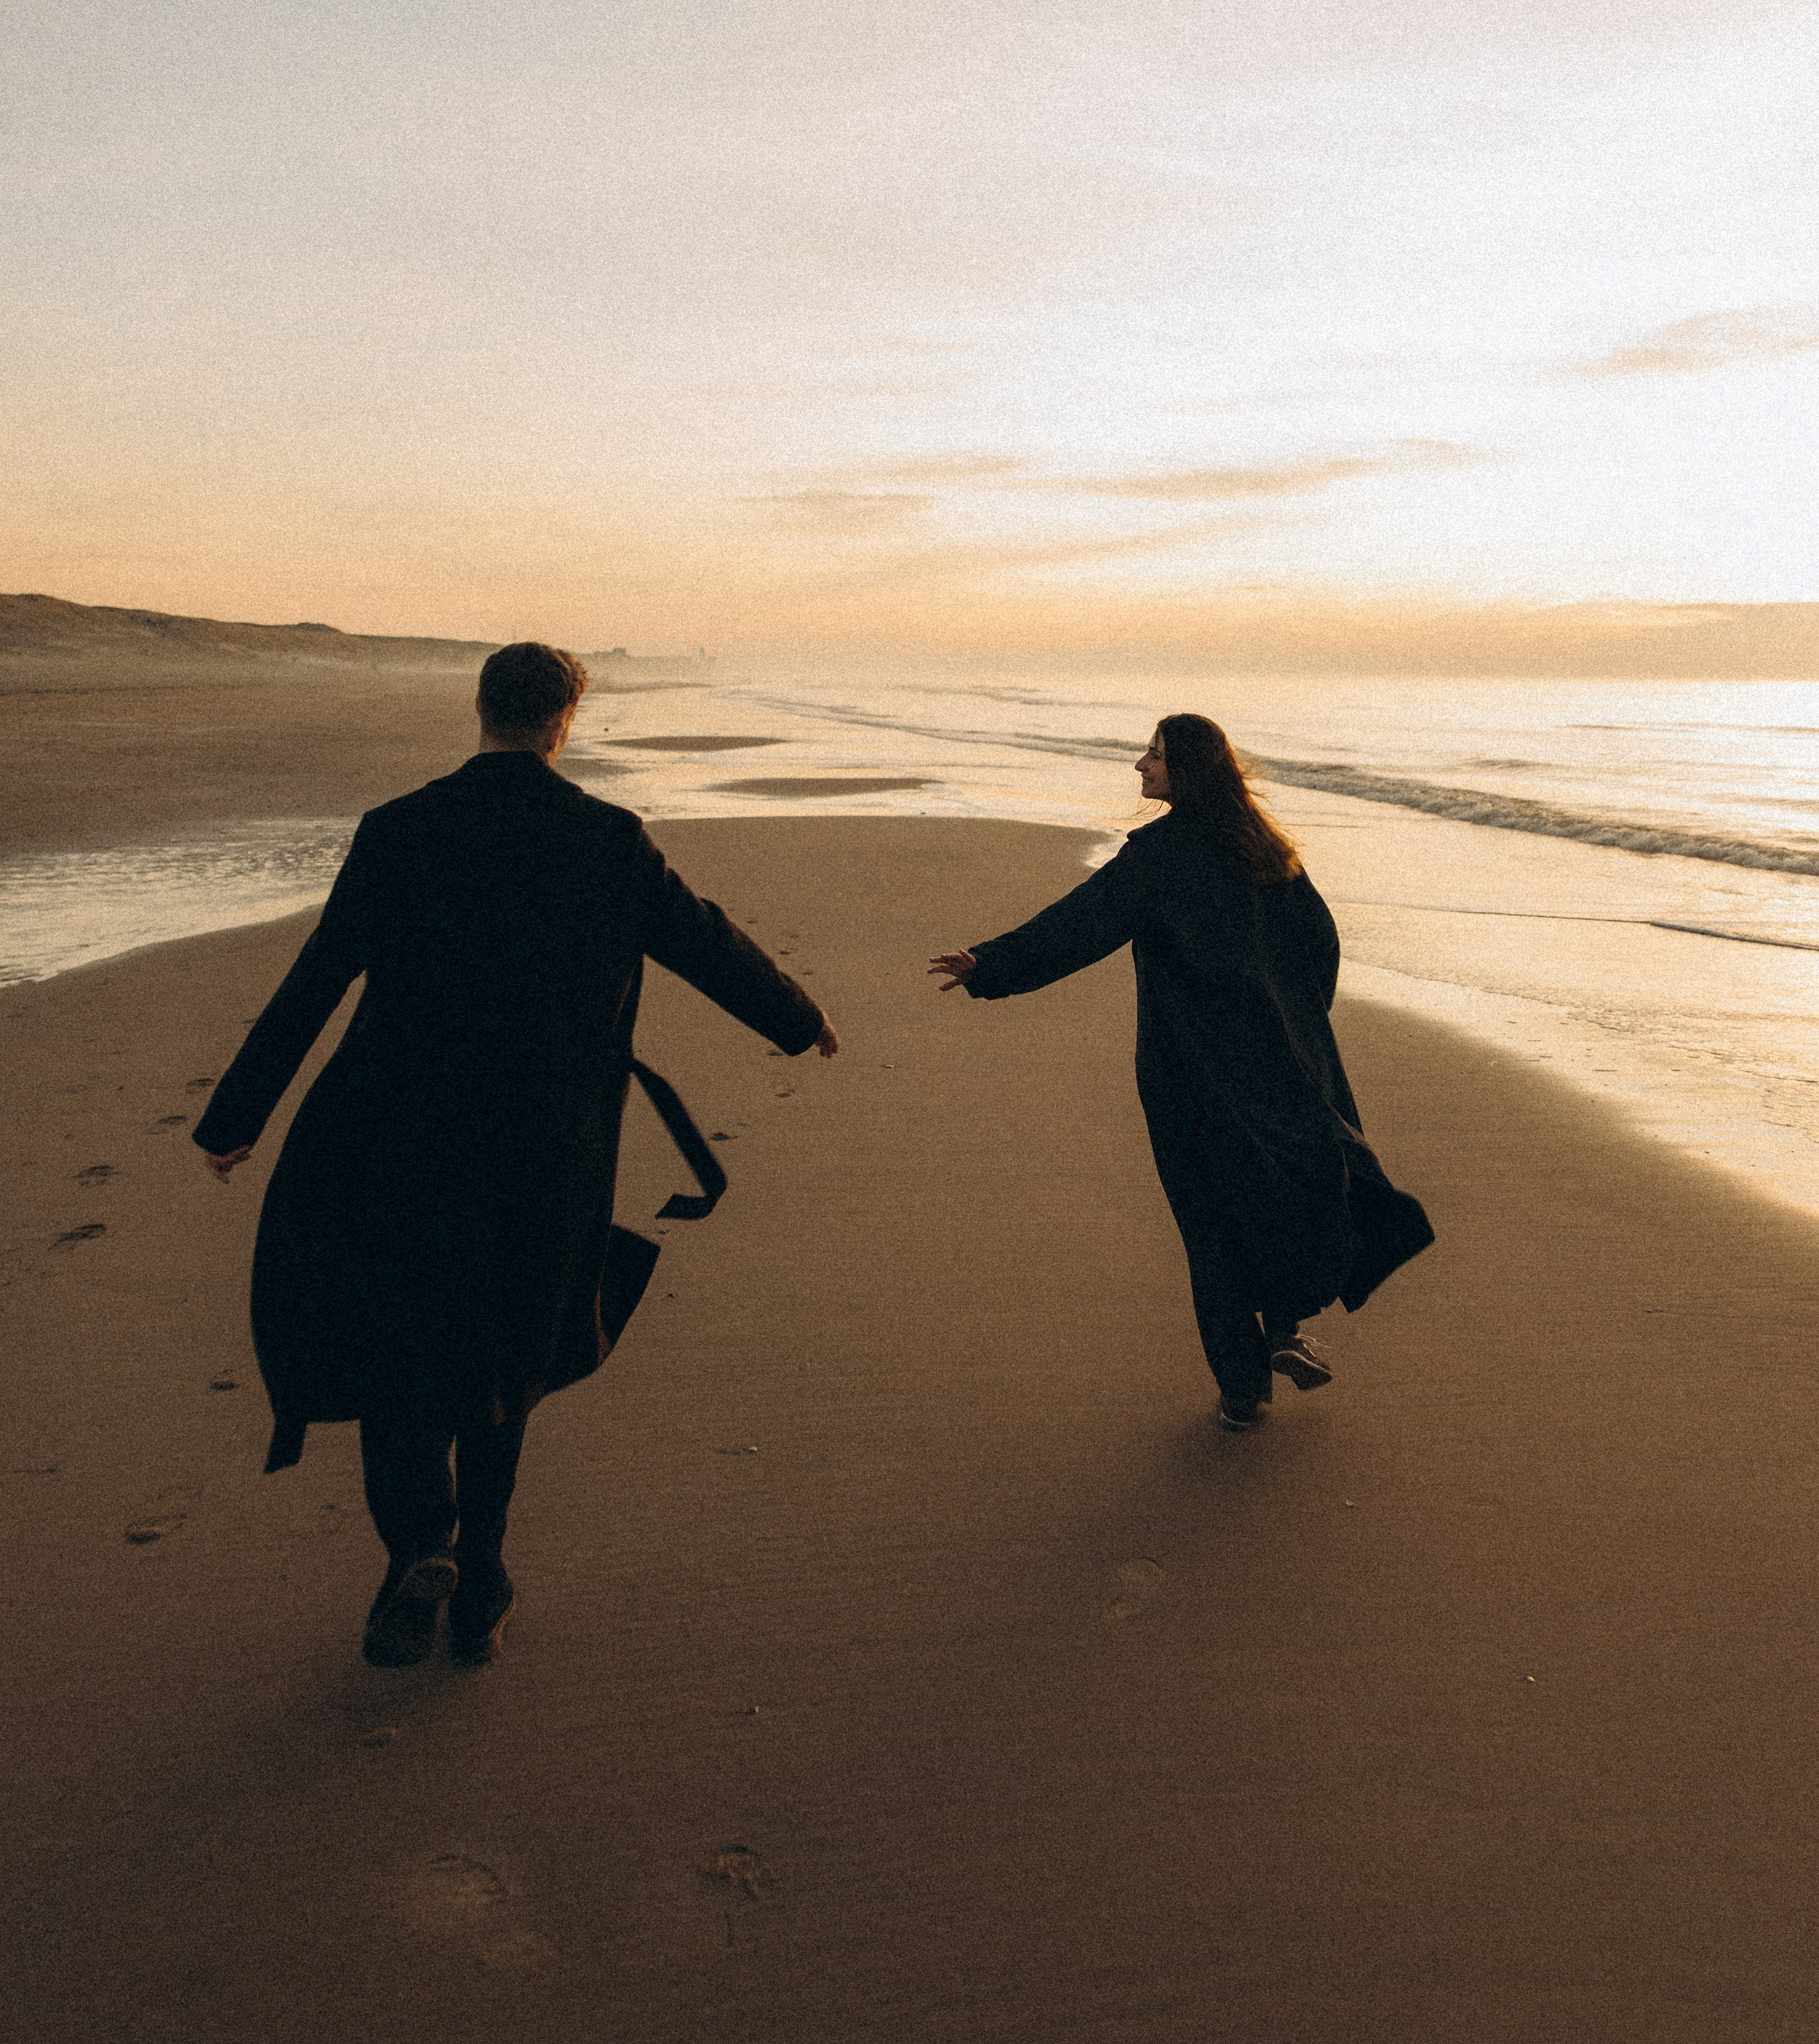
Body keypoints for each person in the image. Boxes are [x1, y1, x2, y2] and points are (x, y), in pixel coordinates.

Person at [195, 641, 838, 1668]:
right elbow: (704, 940)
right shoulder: (608, 839)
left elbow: (319, 977)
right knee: (507, 1359)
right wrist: (797, 1019)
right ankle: (483, 1572)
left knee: (404, 1355)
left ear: (481, 709)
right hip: (546, 1155)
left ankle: (419, 1550)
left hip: (399, 1146)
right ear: (563, 720)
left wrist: (234, 1120)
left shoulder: (399, 830)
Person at [929, 713, 1430, 1429]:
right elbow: (1321, 942)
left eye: (1154, 755)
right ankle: (1283, 1328)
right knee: (1284, 1184)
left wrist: (993, 964)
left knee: (1210, 1225)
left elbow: (1082, 925)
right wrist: (1295, 1018)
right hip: (1278, 1060)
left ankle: (1241, 1389)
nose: (1139, 766)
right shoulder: (1267, 849)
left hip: (1189, 1070)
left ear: (1186, 769)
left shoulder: (1158, 857)